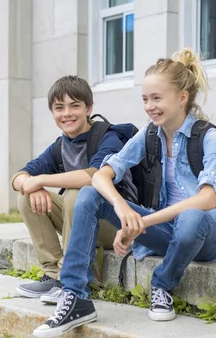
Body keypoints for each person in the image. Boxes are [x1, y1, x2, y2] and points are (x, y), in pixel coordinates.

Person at [32, 48, 216, 338]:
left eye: (157, 98)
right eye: (145, 99)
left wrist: (143, 223)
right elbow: (101, 175)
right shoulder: (148, 134)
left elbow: (207, 199)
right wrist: (122, 209)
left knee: (192, 216)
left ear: (182, 97)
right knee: (90, 195)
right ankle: (75, 295)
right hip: (165, 231)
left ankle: (162, 284)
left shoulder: (209, 136)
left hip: (205, 236)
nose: (150, 106)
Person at [12, 75, 137, 304]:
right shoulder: (60, 145)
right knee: (27, 197)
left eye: (75, 105)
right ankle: (53, 275)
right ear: (52, 113)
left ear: (88, 108)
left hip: (117, 224)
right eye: (59, 108)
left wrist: (40, 180)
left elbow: (93, 176)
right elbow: (18, 177)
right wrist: (31, 185)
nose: (67, 113)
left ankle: (70, 278)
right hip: (85, 222)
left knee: (77, 193)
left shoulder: (109, 137)